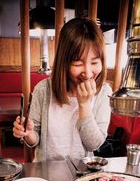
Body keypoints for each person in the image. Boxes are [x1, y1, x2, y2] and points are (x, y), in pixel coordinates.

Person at [13, 17, 112, 161]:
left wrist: (84, 105)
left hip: (81, 173)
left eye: (95, 62)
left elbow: (94, 145)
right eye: (78, 63)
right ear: (64, 62)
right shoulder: (43, 90)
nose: (88, 73)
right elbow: (34, 140)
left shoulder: (104, 92)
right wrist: (27, 133)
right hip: (46, 173)